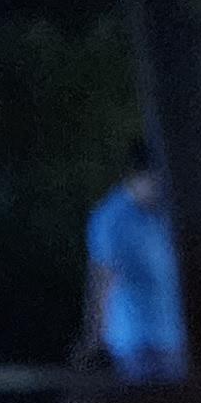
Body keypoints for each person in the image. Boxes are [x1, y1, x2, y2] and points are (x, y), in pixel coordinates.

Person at [84, 154, 184, 375]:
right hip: (135, 343)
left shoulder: (165, 213)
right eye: (156, 181)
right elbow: (102, 280)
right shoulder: (112, 218)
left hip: (174, 337)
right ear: (138, 176)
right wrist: (96, 336)